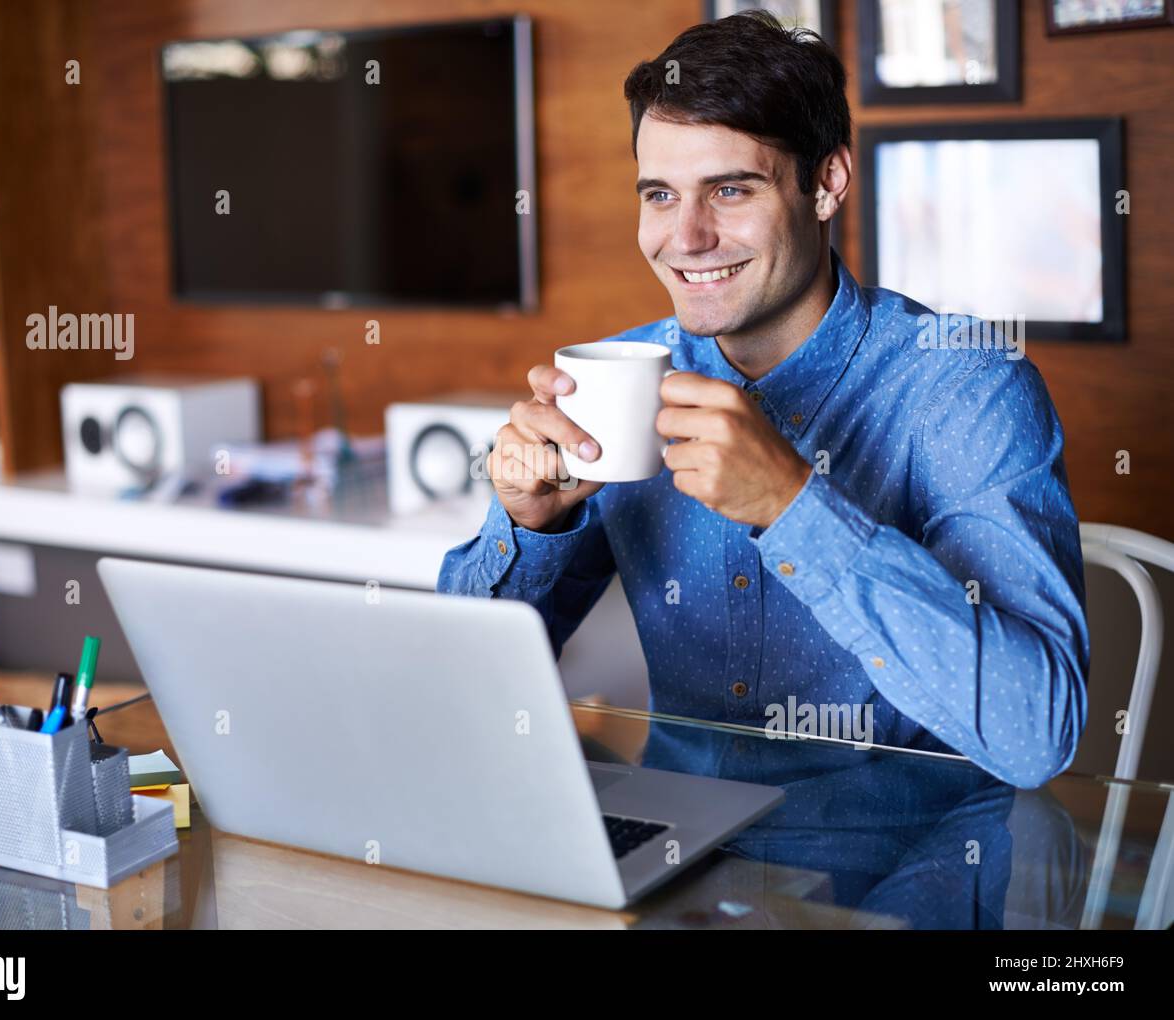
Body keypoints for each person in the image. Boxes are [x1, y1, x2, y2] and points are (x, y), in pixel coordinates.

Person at [437, 12, 1088, 789]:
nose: (686, 237)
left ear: (827, 184)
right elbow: (454, 683)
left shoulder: (964, 385)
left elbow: (1037, 735)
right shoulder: (624, 377)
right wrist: (529, 526)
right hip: (682, 852)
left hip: (897, 873)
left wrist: (794, 505)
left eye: (730, 189)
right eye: (659, 195)